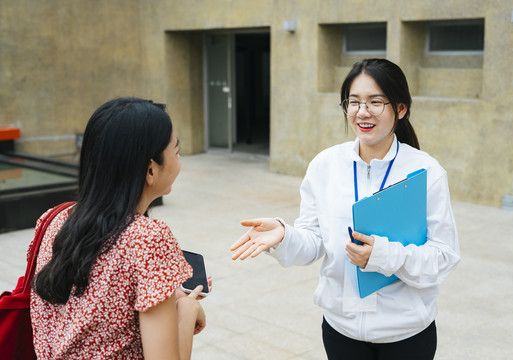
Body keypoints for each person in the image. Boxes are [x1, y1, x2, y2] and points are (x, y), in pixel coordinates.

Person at [230, 58, 460, 359]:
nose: (362, 112)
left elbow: (443, 256)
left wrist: (383, 255)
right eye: (354, 102)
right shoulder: (325, 165)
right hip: (341, 332)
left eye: (375, 102)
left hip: (406, 336)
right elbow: (313, 243)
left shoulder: (425, 172)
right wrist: (285, 235)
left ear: (400, 109)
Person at [31, 97, 207, 360]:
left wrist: (167, 295)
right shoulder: (148, 238)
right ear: (150, 169)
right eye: (177, 151)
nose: (179, 158)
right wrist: (187, 311)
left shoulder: (54, 219)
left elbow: (91, 304)